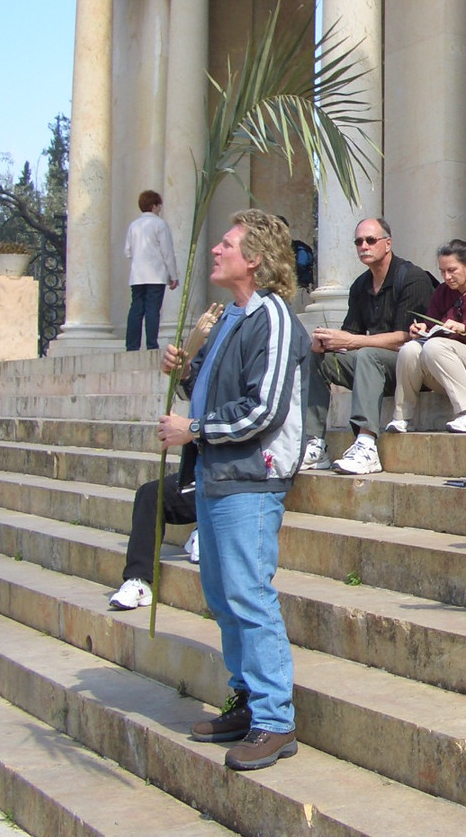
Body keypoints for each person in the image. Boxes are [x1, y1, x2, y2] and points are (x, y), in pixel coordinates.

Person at [158, 209, 309, 771]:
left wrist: (193, 429)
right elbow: (215, 391)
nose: (216, 251)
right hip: (218, 476)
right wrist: (184, 373)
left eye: (227, 244)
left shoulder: (272, 317)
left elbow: (264, 410)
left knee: (249, 596)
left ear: (256, 260)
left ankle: (275, 720)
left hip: (251, 478)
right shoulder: (230, 320)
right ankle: (247, 702)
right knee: (224, 598)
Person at [302, 218, 435, 475]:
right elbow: (351, 336)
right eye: (359, 241)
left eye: (371, 240)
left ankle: (366, 444)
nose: (364, 246)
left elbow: (406, 338)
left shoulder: (413, 278)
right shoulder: (360, 285)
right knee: (317, 358)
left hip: (413, 369)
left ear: (388, 244)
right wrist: (327, 342)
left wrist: (352, 341)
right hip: (374, 367)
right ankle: (315, 444)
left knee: (368, 354)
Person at [387, 240, 466, 434]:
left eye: (452, 270)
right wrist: (422, 329)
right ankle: (403, 417)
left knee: (436, 346)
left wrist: (465, 330)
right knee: (410, 349)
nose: (447, 277)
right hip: (449, 364)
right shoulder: (442, 292)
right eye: (442, 271)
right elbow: (433, 326)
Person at [106, 470, 197, 611]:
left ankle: (206, 530)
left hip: (235, 479)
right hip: (202, 472)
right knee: (150, 493)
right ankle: (139, 579)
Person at [123, 189, 179, 351]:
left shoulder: (134, 225)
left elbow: (127, 251)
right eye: (158, 205)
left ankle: (132, 345)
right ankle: (151, 344)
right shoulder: (160, 224)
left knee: (136, 309)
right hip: (156, 274)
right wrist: (173, 275)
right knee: (153, 310)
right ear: (154, 206)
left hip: (137, 275)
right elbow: (167, 252)